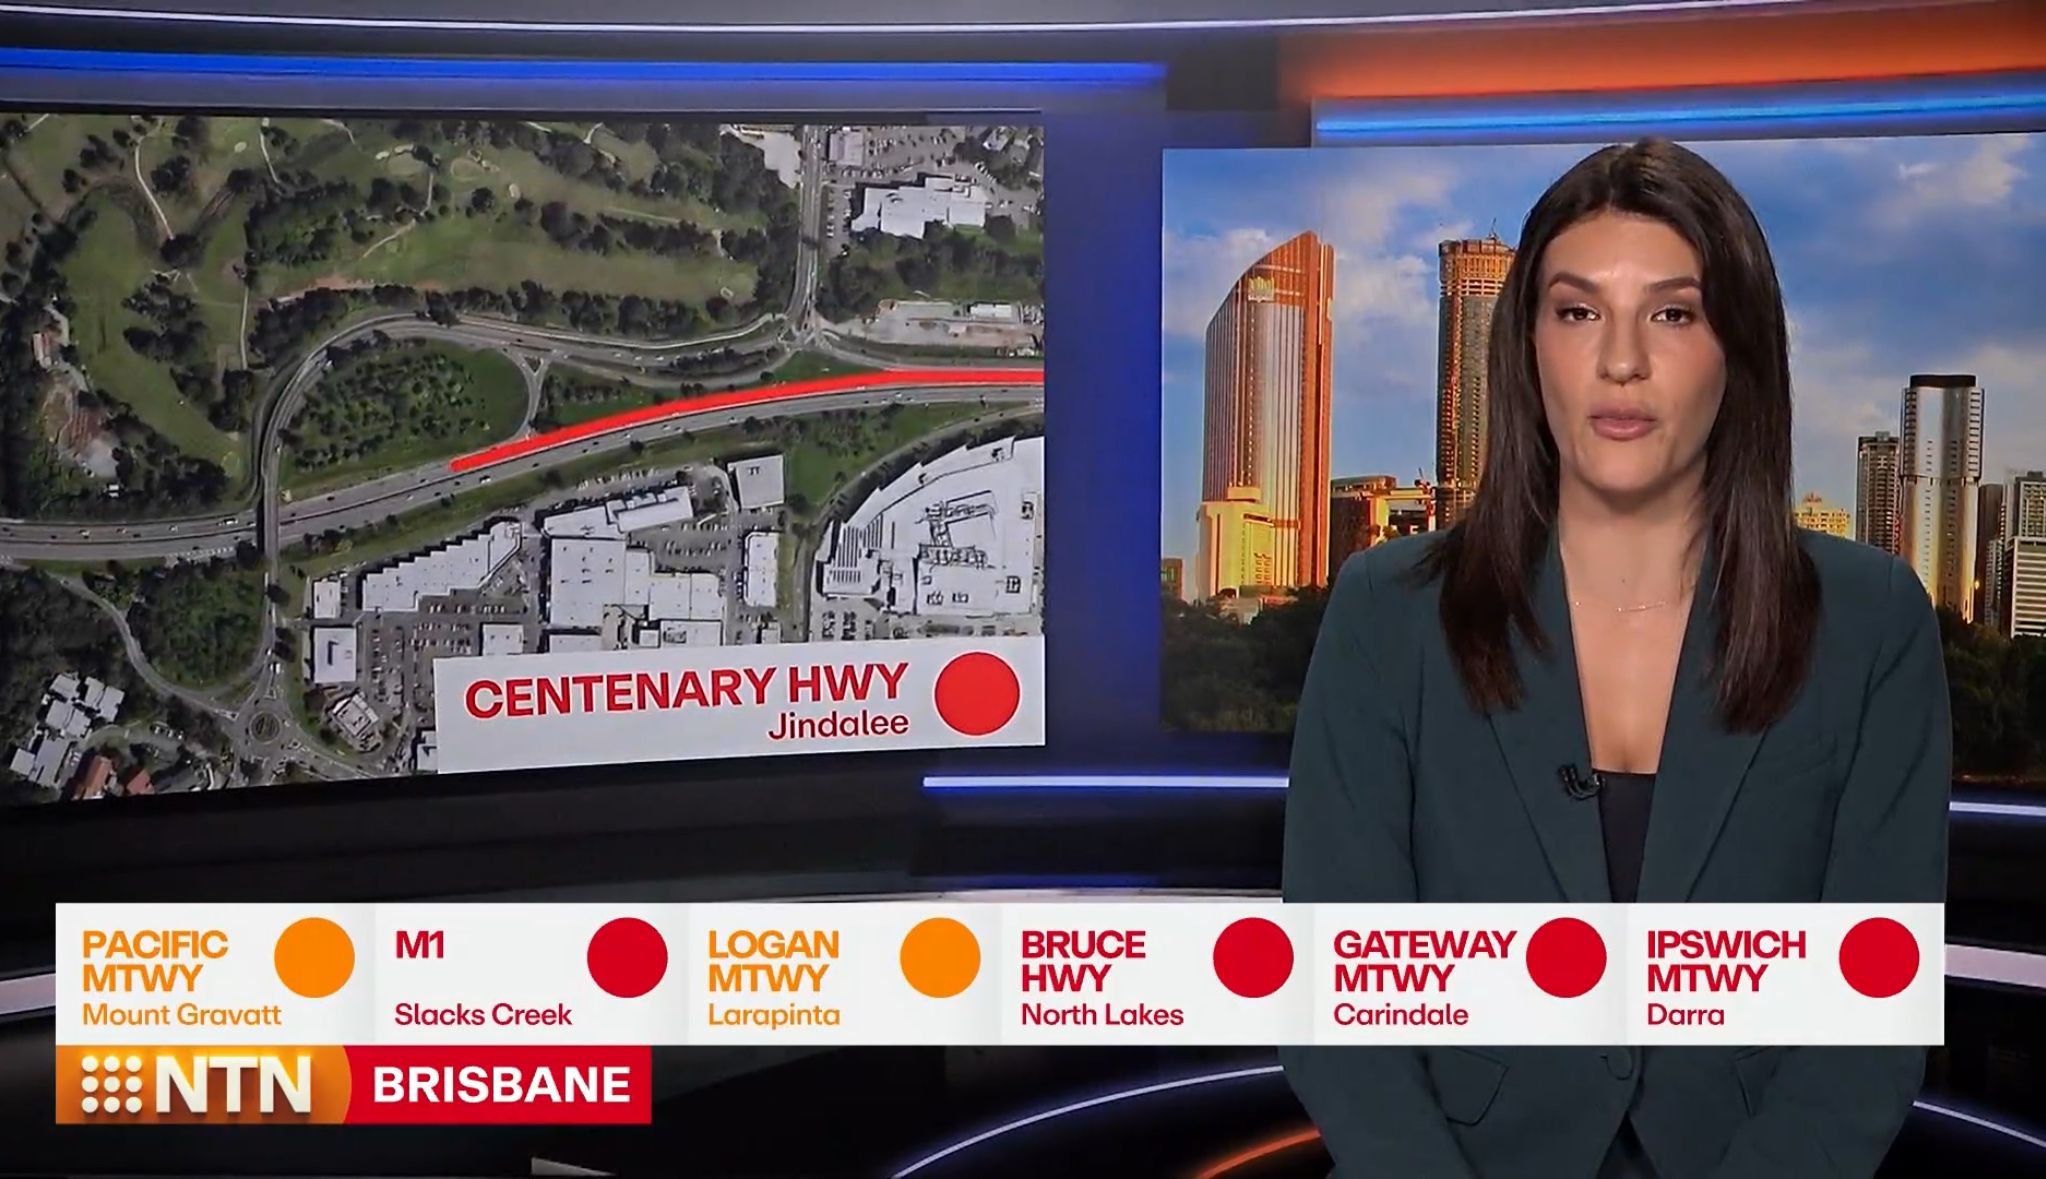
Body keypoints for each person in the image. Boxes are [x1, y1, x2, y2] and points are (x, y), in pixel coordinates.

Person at [1279, 138, 1950, 1179]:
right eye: (1577, 312)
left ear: (1739, 349)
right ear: (1528, 347)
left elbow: (1871, 1015)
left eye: (1673, 314)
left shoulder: (1870, 622)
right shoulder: (1388, 613)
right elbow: (1340, 1000)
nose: (1621, 360)